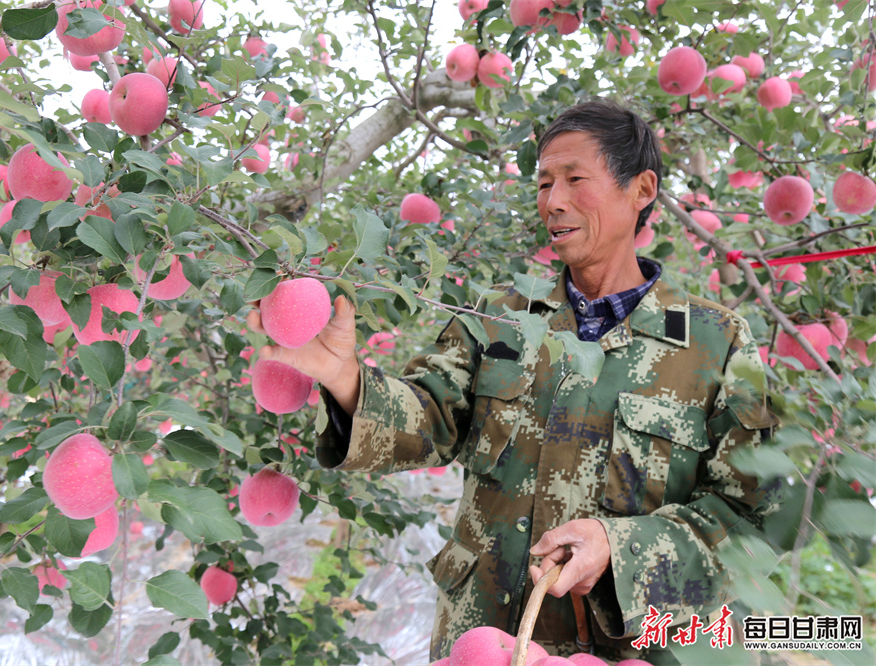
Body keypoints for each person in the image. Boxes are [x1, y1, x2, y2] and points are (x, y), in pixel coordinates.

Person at [247, 99, 780, 664]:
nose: (553, 201)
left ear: (641, 188)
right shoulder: (501, 317)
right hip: (481, 638)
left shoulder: (716, 344)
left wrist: (620, 547)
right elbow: (429, 416)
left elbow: (753, 516)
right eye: (545, 182)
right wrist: (344, 375)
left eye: (576, 179)